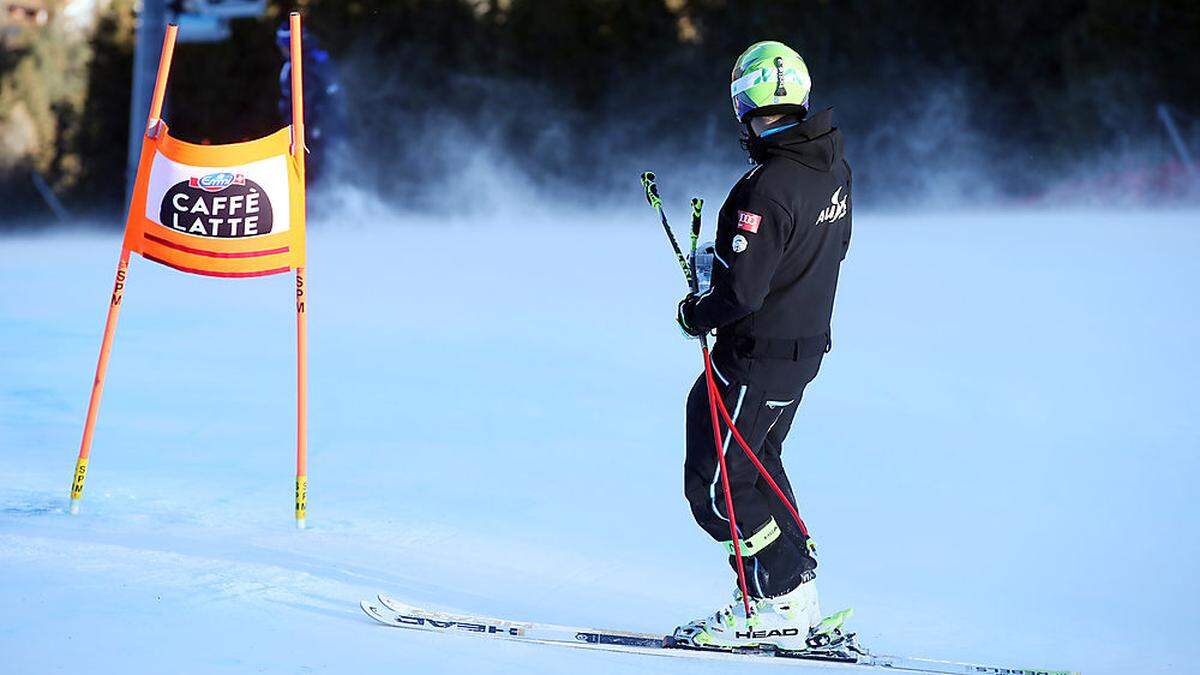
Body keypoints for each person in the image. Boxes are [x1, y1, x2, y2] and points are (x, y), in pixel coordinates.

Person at [672, 40, 853, 651]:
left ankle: (772, 602)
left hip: (757, 354)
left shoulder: (765, 186)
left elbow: (743, 295)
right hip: (799, 351)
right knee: (758, 462)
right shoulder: (829, 165)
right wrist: (722, 267)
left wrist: (698, 309)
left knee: (718, 484)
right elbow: (796, 255)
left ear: (742, 102)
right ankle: (795, 592)